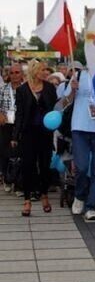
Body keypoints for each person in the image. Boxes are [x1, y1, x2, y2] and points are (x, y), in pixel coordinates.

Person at [62, 64, 95, 221]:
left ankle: (91, 206)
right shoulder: (78, 76)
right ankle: (79, 196)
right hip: (80, 127)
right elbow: (66, 102)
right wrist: (73, 90)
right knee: (81, 166)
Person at [11, 60, 58, 216]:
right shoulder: (22, 90)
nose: (45, 72)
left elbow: (55, 108)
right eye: (42, 69)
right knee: (28, 166)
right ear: (34, 71)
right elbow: (19, 114)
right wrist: (15, 135)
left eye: (45, 69)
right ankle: (27, 200)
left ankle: (44, 194)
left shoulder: (50, 88)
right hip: (28, 133)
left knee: (45, 165)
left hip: (45, 133)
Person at [0, 63, 24, 193]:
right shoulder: (3, 89)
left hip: (21, 124)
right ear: (9, 75)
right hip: (6, 124)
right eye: (12, 73)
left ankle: (19, 182)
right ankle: (7, 178)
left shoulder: (26, 88)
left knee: (20, 152)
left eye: (17, 72)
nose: (14, 75)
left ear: (22, 74)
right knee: (4, 152)